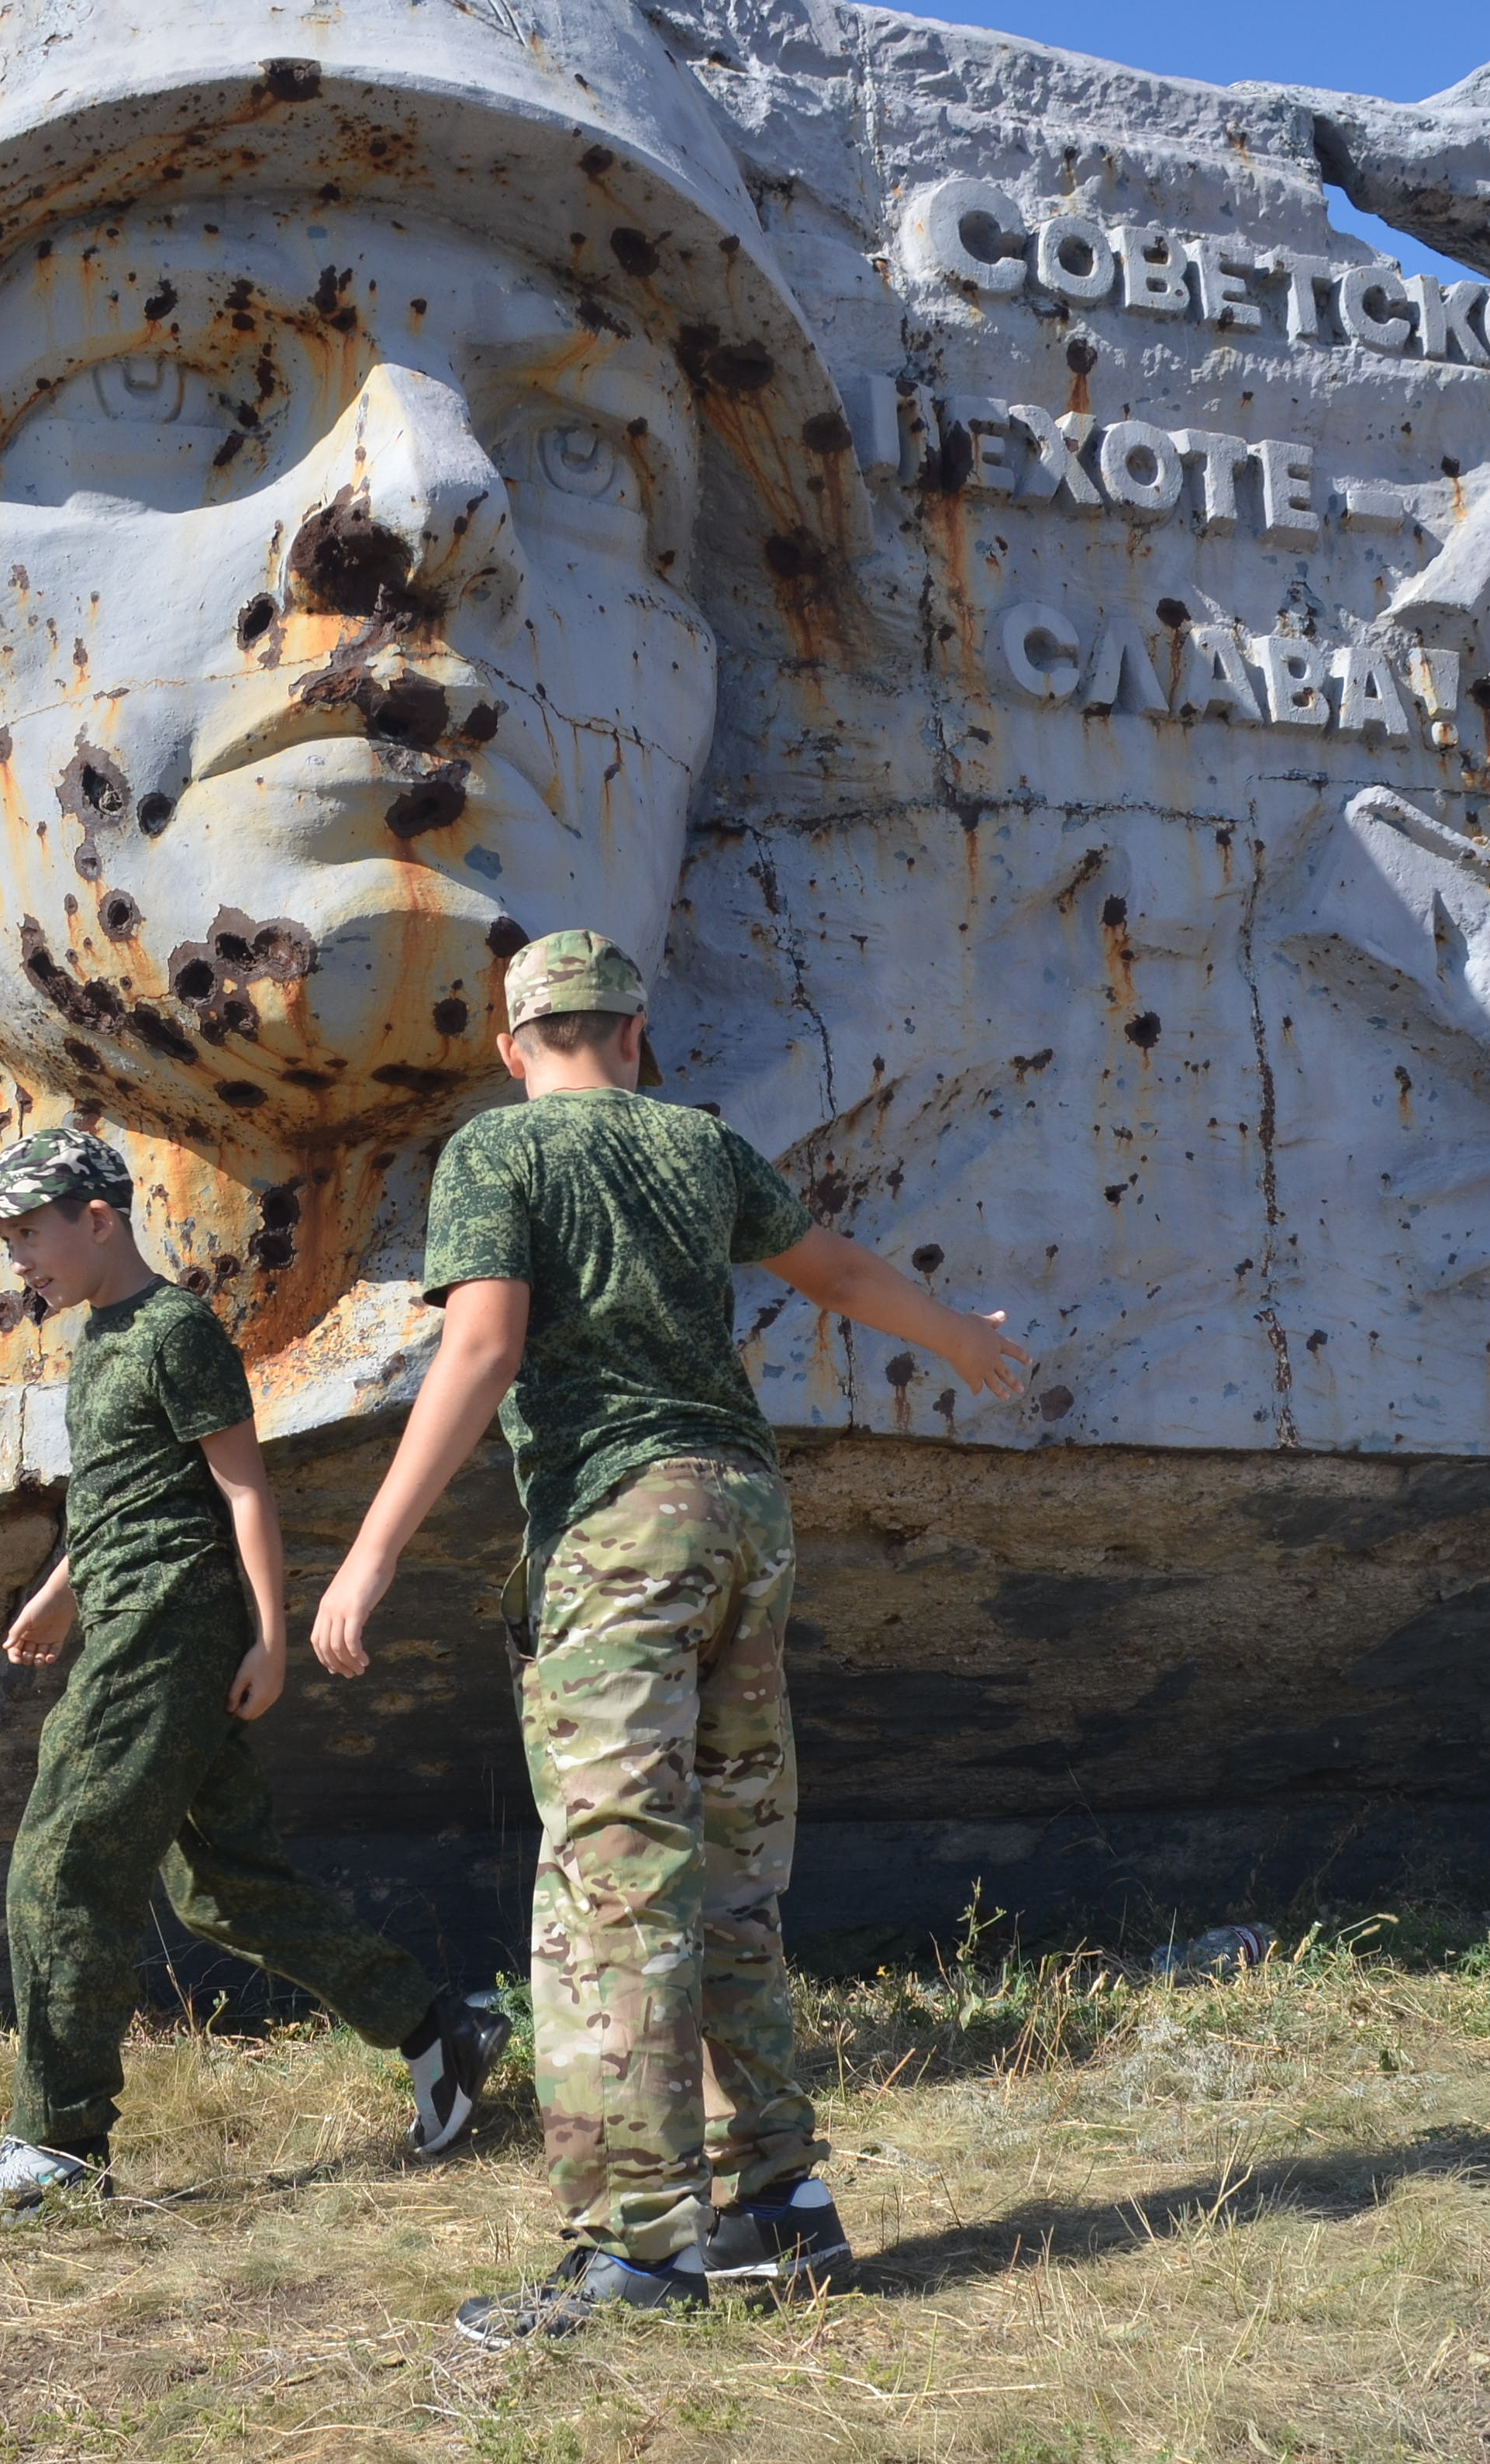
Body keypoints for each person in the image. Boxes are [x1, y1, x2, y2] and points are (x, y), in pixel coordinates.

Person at [312, 931, 1035, 2340]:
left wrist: (374, 1548)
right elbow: (828, 1266)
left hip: (620, 1529)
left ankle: (635, 2247)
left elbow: (480, 1345)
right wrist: (952, 1334)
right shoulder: (698, 1147)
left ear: (515, 1047)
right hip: (741, 1513)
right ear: (632, 1033)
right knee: (725, 1876)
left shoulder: (498, 1155)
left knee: (610, 1887)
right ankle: (777, 2203)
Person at [0, 1128, 510, 2234]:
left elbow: (243, 1490)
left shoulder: (175, 1329)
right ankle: (435, 2029)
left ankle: (57, 2145)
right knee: (220, 1883)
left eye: (28, 1232)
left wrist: (271, 1638)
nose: (17, 1258)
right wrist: (58, 1590)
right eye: (6, 1239)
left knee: (60, 1863)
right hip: (127, 1613)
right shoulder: (101, 1342)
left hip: (168, 1627)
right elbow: (129, 1492)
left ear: (97, 1218)